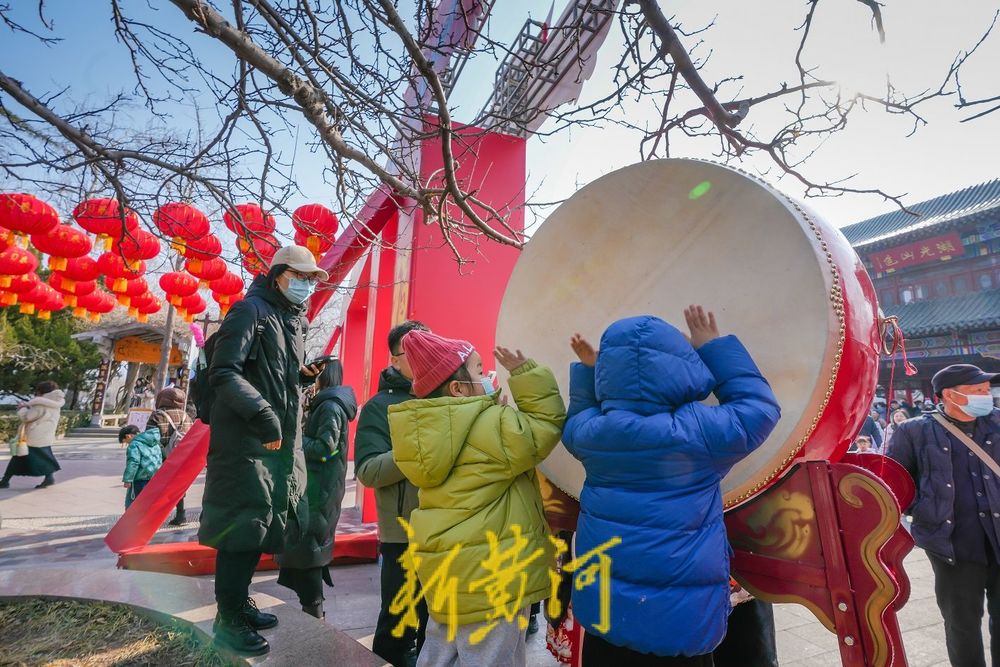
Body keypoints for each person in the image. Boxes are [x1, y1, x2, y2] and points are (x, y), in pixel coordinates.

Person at [562, 307, 781, 665]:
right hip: (680, 622)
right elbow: (759, 407)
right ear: (681, 368)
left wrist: (590, 372)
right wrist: (714, 347)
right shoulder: (699, 432)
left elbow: (577, 415)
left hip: (605, 610)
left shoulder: (594, 434)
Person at [388, 330, 566, 667]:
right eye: (480, 371)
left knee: (442, 651)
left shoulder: (424, 430)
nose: (487, 378)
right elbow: (544, 426)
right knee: (493, 656)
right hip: (492, 574)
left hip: (448, 567)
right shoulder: (489, 425)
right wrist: (526, 374)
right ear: (457, 388)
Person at [198, 245, 328, 656]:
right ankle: (228, 621)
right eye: (301, 276)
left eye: (311, 278)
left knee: (258, 529)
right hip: (245, 442)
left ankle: (237, 605)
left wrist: (300, 378)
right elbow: (224, 371)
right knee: (241, 529)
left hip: (273, 445)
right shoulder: (249, 311)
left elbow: (271, 377)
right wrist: (264, 415)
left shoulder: (291, 319)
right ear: (277, 275)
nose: (307, 284)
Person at [887, 363, 1000, 667]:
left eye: (987, 390)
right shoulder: (914, 432)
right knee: (962, 624)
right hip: (952, 545)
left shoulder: (998, 423)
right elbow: (896, 484)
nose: (986, 395)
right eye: (978, 390)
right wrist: (926, 511)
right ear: (951, 395)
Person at [355, 320, 430, 667]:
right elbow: (368, 470)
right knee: (398, 624)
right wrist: (415, 450)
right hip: (403, 534)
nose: (421, 357)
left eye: (427, 348)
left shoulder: (445, 397)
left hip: (447, 527)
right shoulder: (378, 408)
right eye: (410, 351)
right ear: (394, 359)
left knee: (438, 623)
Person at [276, 359, 358, 620]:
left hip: (318, 489)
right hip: (318, 486)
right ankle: (311, 609)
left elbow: (325, 448)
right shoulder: (327, 403)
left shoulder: (331, 407)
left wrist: (296, 441)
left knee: (308, 548)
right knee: (306, 548)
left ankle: (314, 613)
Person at [1, 381, 65, 489]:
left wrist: (22, 408)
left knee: (18, 456)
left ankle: (5, 481)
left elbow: (27, 417)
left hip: (33, 436)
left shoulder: (40, 404)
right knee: (43, 457)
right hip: (45, 435)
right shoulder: (55, 404)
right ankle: (49, 477)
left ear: (41, 392)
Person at [146, 387, 194, 525]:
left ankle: (154, 517)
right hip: (181, 458)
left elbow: (149, 438)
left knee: (157, 486)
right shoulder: (186, 416)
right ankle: (181, 515)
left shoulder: (158, 415)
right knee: (178, 486)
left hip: (161, 457)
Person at [119, 424, 163, 508]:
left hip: (140, 479)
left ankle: (132, 521)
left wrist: (127, 479)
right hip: (155, 477)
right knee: (149, 503)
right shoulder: (154, 442)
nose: (127, 444)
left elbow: (133, 462)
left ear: (128, 436)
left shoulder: (134, 445)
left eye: (125, 441)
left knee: (132, 504)